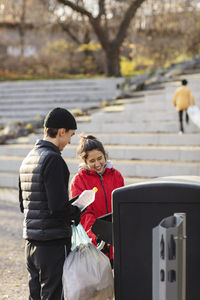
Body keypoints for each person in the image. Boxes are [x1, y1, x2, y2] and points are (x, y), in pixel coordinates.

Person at [19, 107, 81, 300]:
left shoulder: (29, 158)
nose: (70, 141)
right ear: (61, 131)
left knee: (35, 295)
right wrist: (77, 210)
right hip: (52, 243)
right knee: (53, 295)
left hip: (31, 242)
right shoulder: (53, 159)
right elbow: (57, 207)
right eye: (70, 135)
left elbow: (24, 205)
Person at [70, 135, 124, 266]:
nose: (98, 164)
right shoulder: (79, 180)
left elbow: (121, 206)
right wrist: (98, 236)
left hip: (116, 239)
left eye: (100, 158)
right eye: (92, 161)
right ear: (85, 161)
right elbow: (83, 213)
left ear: (105, 156)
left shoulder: (116, 175)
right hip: (95, 241)